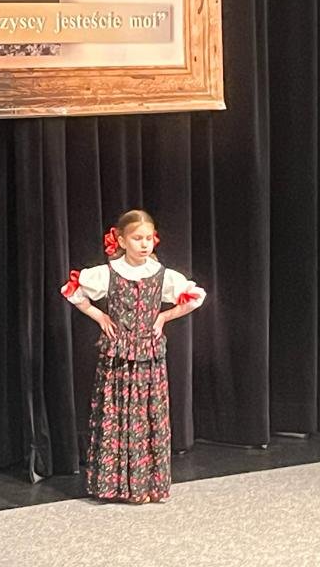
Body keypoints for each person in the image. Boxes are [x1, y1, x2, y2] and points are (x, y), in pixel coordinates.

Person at [60, 209, 207, 503]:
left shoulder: (162, 275)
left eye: (148, 238)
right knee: (115, 414)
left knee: (148, 416)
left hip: (148, 357)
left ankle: (146, 485)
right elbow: (72, 289)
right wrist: (99, 316)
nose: (144, 244)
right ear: (121, 240)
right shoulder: (108, 273)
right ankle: (113, 485)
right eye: (137, 238)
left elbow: (196, 296)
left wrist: (164, 317)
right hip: (117, 356)